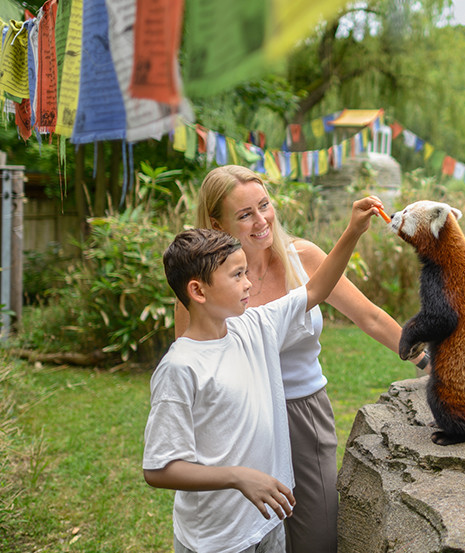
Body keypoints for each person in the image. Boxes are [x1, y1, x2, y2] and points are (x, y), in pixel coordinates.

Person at [174, 165, 428, 553]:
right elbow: (193, 368)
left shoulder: (302, 256)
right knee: (252, 536)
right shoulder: (202, 288)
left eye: (264, 205)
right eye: (245, 214)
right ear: (216, 222)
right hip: (243, 422)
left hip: (304, 414)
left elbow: (369, 316)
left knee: (318, 537)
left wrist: (428, 361)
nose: (261, 221)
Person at [143, 196, 382, 553]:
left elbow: (315, 289)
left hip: (266, 524)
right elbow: (159, 469)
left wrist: (353, 232)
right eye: (237, 275)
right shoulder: (180, 369)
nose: (249, 285)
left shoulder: (256, 326)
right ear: (198, 291)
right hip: (216, 540)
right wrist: (238, 477)